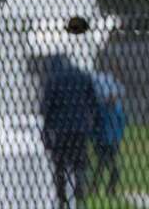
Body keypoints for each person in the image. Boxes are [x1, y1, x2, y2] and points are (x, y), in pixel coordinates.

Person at [38, 55, 96, 209]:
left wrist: (46, 129)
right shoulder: (82, 76)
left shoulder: (53, 79)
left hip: (61, 130)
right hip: (80, 128)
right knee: (78, 162)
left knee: (60, 165)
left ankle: (62, 199)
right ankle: (79, 194)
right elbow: (93, 102)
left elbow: (45, 108)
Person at [89, 71, 127, 199]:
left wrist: (118, 138)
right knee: (103, 167)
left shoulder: (116, 109)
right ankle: (98, 190)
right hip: (102, 141)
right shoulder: (102, 109)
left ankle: (106, 190)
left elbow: (121, 124)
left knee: (106, 167)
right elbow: (95, 126)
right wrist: (94, 138)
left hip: (112, 142)